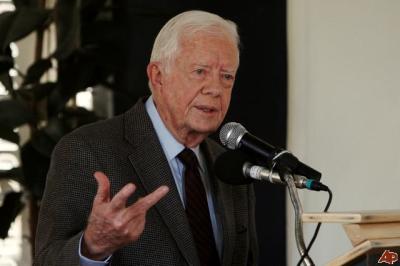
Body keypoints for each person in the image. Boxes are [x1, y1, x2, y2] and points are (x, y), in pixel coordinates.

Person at [34, 10, 258, 266]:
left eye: (226, 76)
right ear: (157, 76)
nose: (215, 89)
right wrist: (93, 247)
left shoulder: (230, 168)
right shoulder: (85, 150)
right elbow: (46, 261)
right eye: (199, 72)